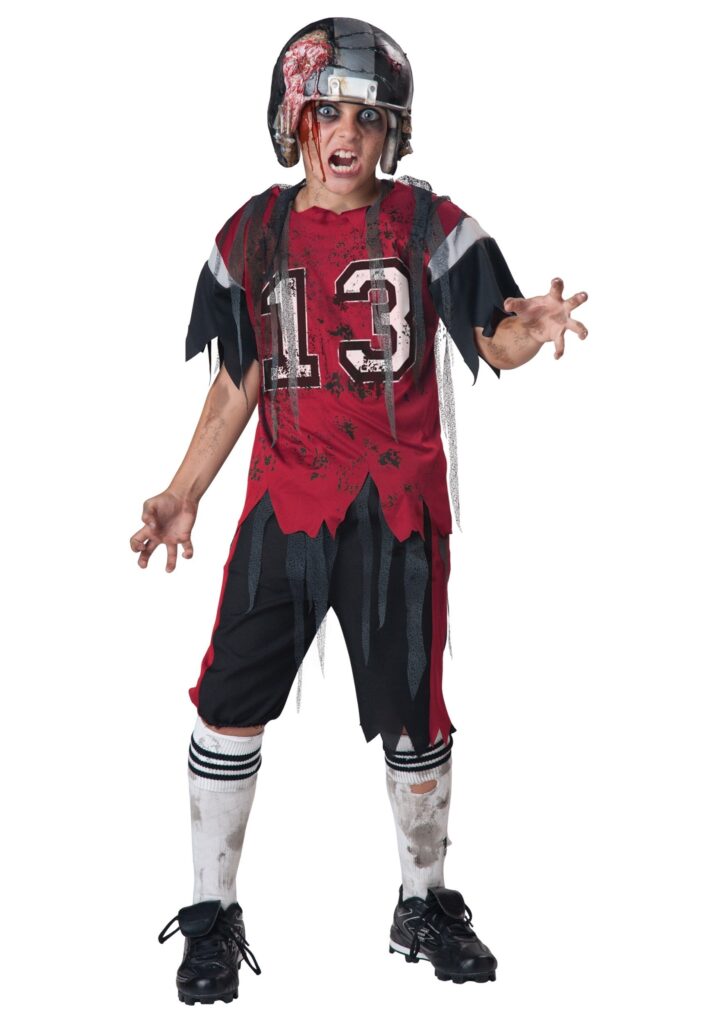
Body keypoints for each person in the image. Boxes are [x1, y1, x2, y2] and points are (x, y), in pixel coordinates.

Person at [132, 16, 589, 1004]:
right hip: (286, 505)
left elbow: (494, 337)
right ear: (292, 119)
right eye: (329, 113)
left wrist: (530, 329)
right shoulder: (251, 234)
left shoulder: (432, 224)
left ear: (394, 132)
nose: (348, 135)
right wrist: (182, 491)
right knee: (227, 703)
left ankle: (422, 902)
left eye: (369, 119)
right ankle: (211, 912)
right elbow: (239, 381)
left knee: (413, 716)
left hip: (397, 513)